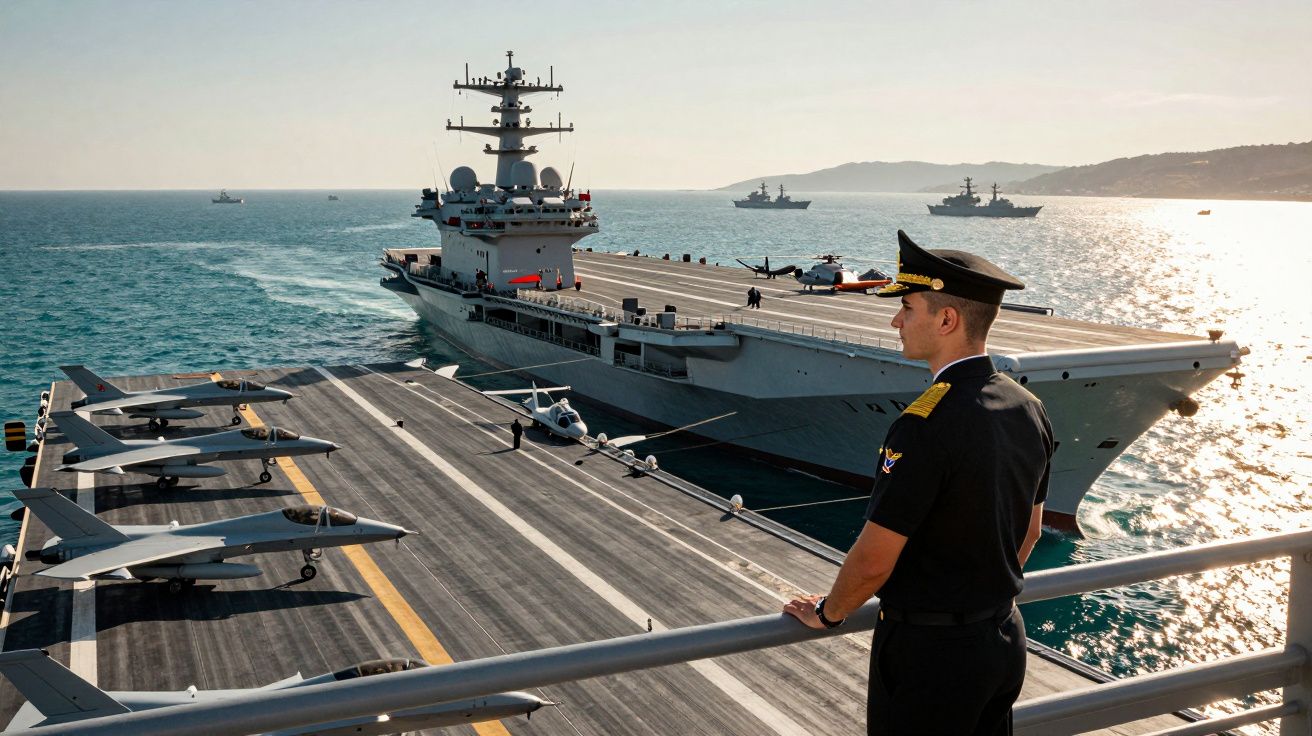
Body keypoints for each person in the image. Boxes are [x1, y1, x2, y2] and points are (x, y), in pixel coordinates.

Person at [783, 230, 1053, 735]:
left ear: (946, 319)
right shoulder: (1028, 406)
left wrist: (829, 613)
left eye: (907, 307)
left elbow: (873, 560)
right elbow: (1031, 531)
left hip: (931, 660)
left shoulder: (923, 423)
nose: (895, 320)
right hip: (1002, 638)